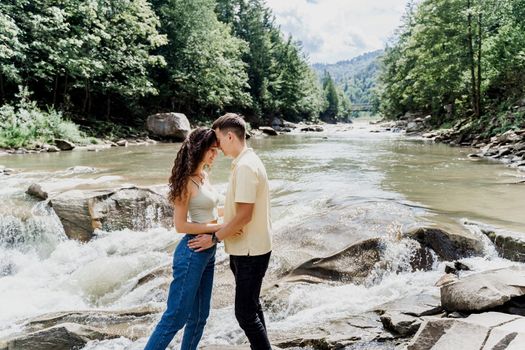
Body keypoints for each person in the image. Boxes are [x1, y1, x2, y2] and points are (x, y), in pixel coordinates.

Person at [189, 113, 273, 350]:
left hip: (250, 251)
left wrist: (214, 237)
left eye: (218, 139)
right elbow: (238, 209)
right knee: (253, 307)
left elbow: (245, 215)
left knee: (245, 314)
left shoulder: (246, 167)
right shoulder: (248, 161)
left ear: (229, 136)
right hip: (252, 247)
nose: (216, 145)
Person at [144, 127, 222, 350]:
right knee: (176, 316)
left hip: (208, 252)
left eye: (216, 150)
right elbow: (180, 225)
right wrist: (220, 228)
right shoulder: (186, 182)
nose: (215, 155)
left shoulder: (204, 177)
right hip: (191, 253)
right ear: (199, 150)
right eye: (212, 150)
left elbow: (213, 210)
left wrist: (240, 214)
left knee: (199, 317)